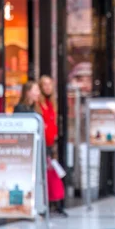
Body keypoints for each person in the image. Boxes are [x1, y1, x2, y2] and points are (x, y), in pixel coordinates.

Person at [39, 75, 67, 218]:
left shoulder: (52, 104)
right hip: (42, 145)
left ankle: (55, 203)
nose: (47, 87)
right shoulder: (39, 105)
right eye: (44, 84)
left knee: (53, 174)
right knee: (46, 175)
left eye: (49, 84)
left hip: (50, 144)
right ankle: (47, 204)